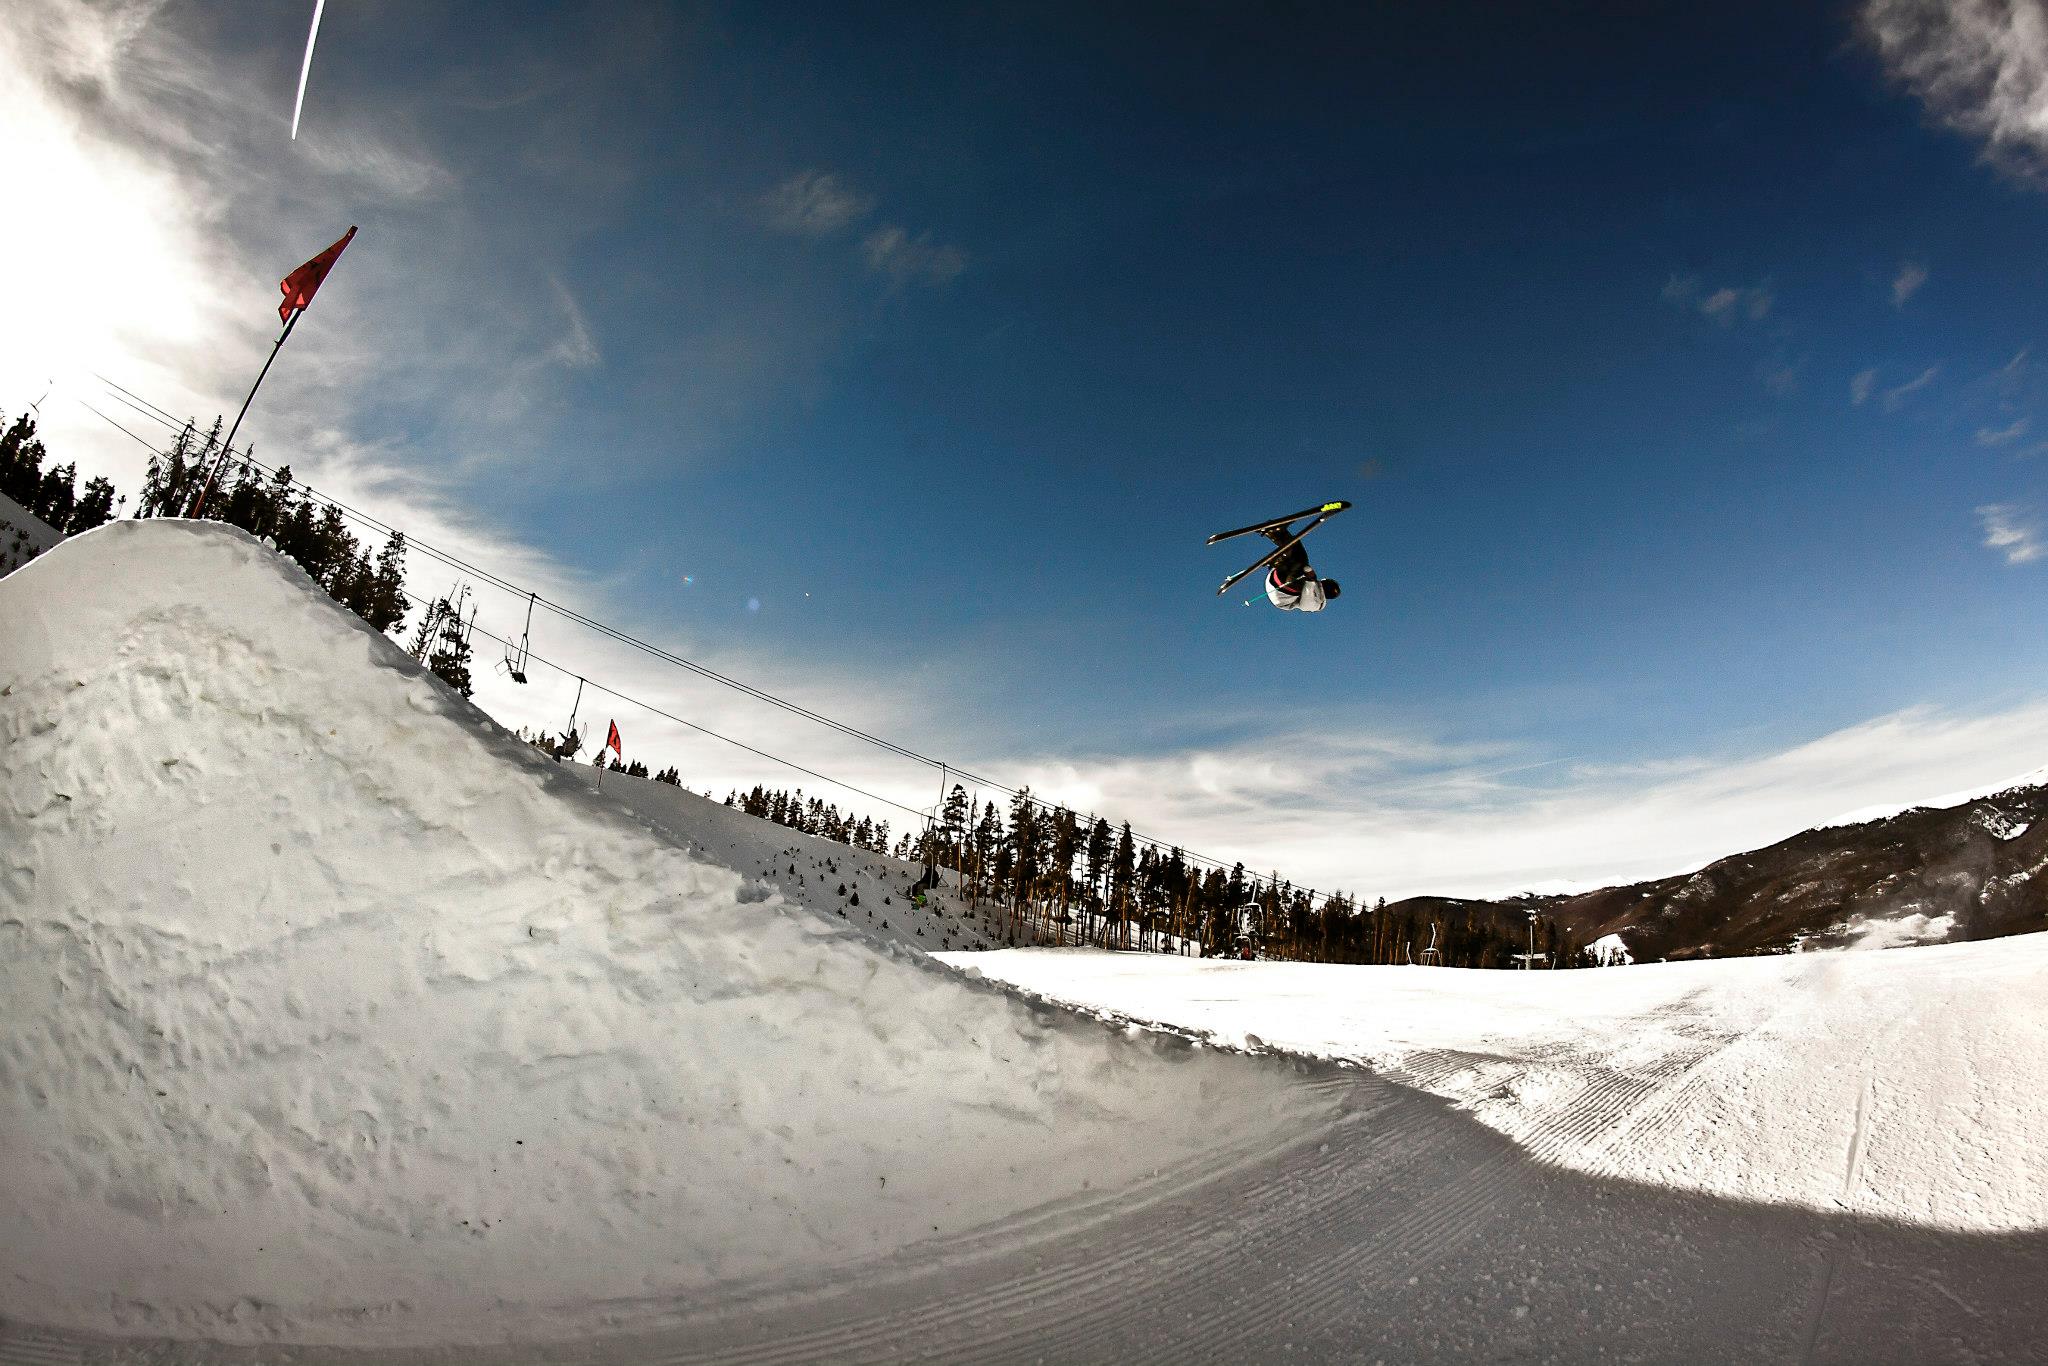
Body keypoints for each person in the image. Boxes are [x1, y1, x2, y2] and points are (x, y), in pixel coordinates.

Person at [1260, 525, 1342, 612]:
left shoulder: (1319, 604)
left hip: (1282, 595)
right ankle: (1275, 532)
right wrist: (1310, 578)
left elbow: (1306, 603)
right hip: (1278, 579)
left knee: (1300, 563)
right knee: (1300, 555)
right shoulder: (1314, 583)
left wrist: (1310, 580)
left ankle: (1280, 560)